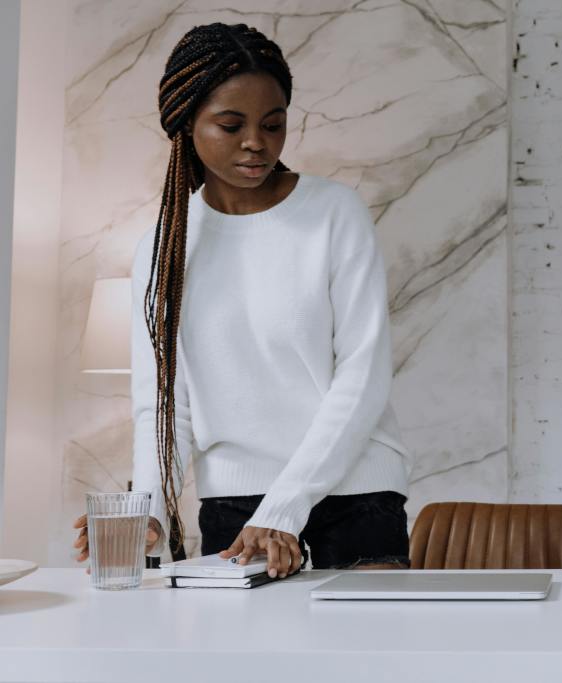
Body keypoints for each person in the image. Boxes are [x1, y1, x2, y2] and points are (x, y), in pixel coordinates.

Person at [73, 22, 412, 579]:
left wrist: (285, 508)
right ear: (185, 124)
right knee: (244, 665)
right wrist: (149, 514)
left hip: (356, 491)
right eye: (231, 125)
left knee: (365, 662)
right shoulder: (164, 250)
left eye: (273, 124)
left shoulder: (334, 214)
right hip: (237, 504)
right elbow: (162, 403)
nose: (256, 142)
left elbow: (363, 375)